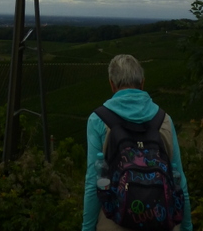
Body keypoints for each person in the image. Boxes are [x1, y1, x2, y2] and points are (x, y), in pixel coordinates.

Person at [82, 54, 192, 231]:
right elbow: (179, 179)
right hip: (162, 221)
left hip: (116, 221)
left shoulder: (98, 120)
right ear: (142, 83)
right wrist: (186, 226)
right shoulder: (164, 120)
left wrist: (87, 227)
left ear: (112, 84)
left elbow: (92, 181)